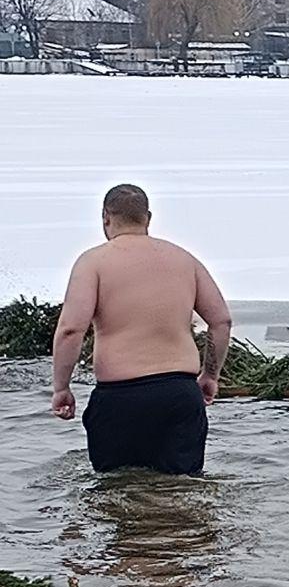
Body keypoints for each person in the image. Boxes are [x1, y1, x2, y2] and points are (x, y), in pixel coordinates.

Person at [50, 184, 231, 477]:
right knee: (181, 492)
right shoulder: (185, 259)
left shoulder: (93, 262)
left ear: (106, 217)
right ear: (148, 217)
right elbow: (221, 321)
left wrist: (61, 387)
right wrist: (210, 375)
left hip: (120, 398)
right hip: (180, 395)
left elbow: (71, 329)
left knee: (117, 492)